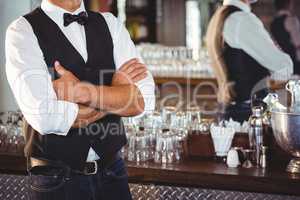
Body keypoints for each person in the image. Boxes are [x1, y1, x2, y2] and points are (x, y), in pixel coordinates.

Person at [5, 0, 155, 199]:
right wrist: (115, 93)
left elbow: (144, 100)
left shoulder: (110, 23)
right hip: (56, 180)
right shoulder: (22, 31)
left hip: (113, 173)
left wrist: (81, 92)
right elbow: (46, 117)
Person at [206, 0, 293, 122]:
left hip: (228, 110)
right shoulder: (242, 19)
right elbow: (284, 66)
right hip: (248, 115)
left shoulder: (219, 16)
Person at [271, 0, 300, 75]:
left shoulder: (274, 22)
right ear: (288, 4)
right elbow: (298, 42)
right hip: (294, 61)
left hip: (281, 61)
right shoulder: (291, 20)